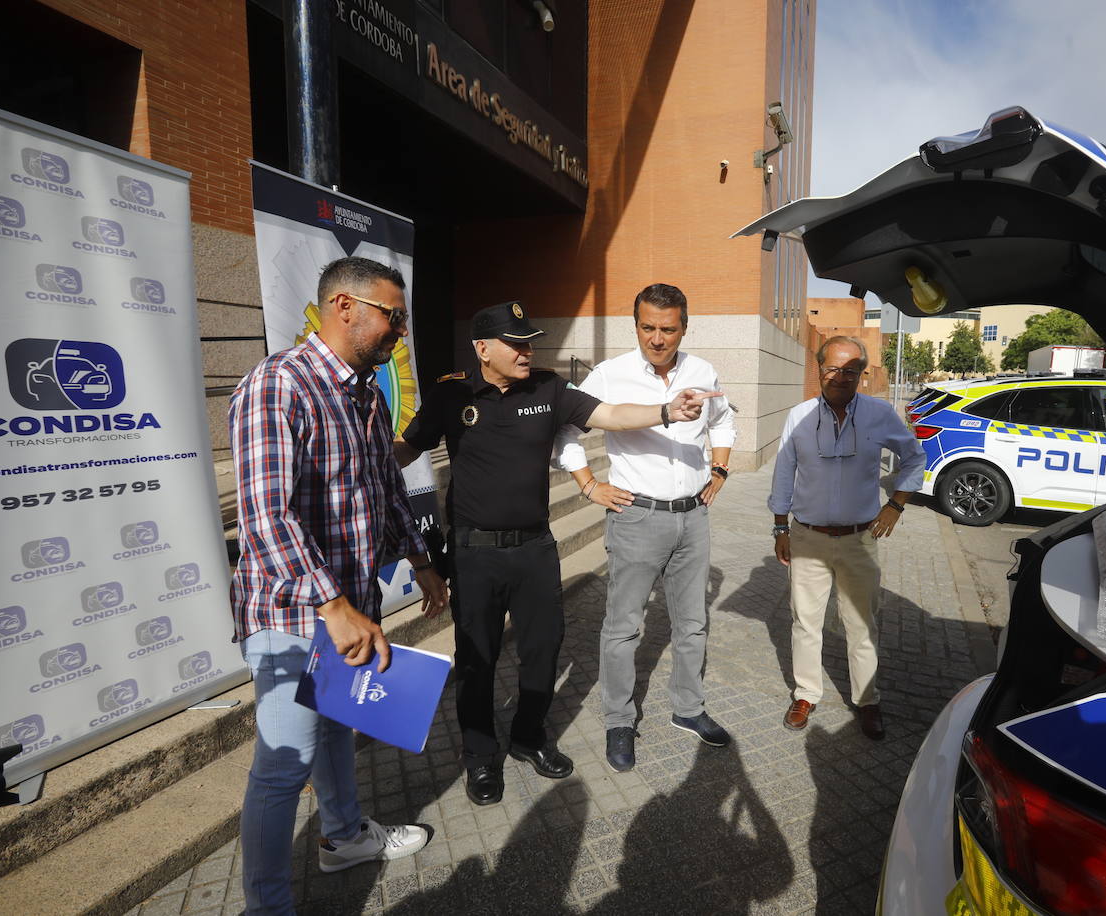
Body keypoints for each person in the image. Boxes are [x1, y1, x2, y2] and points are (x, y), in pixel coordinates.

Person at [396, 300, 719, 806]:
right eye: (516, 343)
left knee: (542, 652)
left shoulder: (548, 389)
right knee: (477, 660)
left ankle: (528, 738)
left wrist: (665, 411)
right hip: (473, 554)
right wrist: (360, 447)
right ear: (483, 348)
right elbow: (406, 449)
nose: (528, 351)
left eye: (530, 342)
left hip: (535, 550)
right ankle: (480, 757)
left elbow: (610, 415)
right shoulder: (451, 394)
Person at [230, 257, 449, 914]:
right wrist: (331, 604)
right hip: (291, 612)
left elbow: (385, 489)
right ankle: (267, 906)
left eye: (402, 318)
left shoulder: (366, 394)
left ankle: (345, 836)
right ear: (345, 306)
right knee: (284, 762)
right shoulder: (279, 385)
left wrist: (423, 558)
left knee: (335, 730)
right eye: (394, 316)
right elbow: (267, 515)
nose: (401, 332)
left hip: (346, 605)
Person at [553, 283, 736, 773]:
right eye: (648, 327)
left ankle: (688, 708)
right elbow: (566, 434)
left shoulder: (702, 371)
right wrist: (590, 486)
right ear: (635, 325)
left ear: (684, 326)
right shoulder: (609, 375)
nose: (657, 338)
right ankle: (618, 719)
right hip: (636, 517)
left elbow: (723, 422)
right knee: (624, 627)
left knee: (693, 622)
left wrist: (718, 470)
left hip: (693, 516)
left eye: (668, 329)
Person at [767, 336, 926, 740]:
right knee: (805, 622)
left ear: (862, 374)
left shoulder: (878, 414)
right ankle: (806, 694)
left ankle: (867, 700)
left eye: (850, 370)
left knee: (861, 624)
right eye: (832, 369)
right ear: (819, 369)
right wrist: (780, 526)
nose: (840, 377)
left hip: (859, 539)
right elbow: (784, 471)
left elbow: (914, 456)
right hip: (807, 537)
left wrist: (896, 505)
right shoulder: (799, 416)